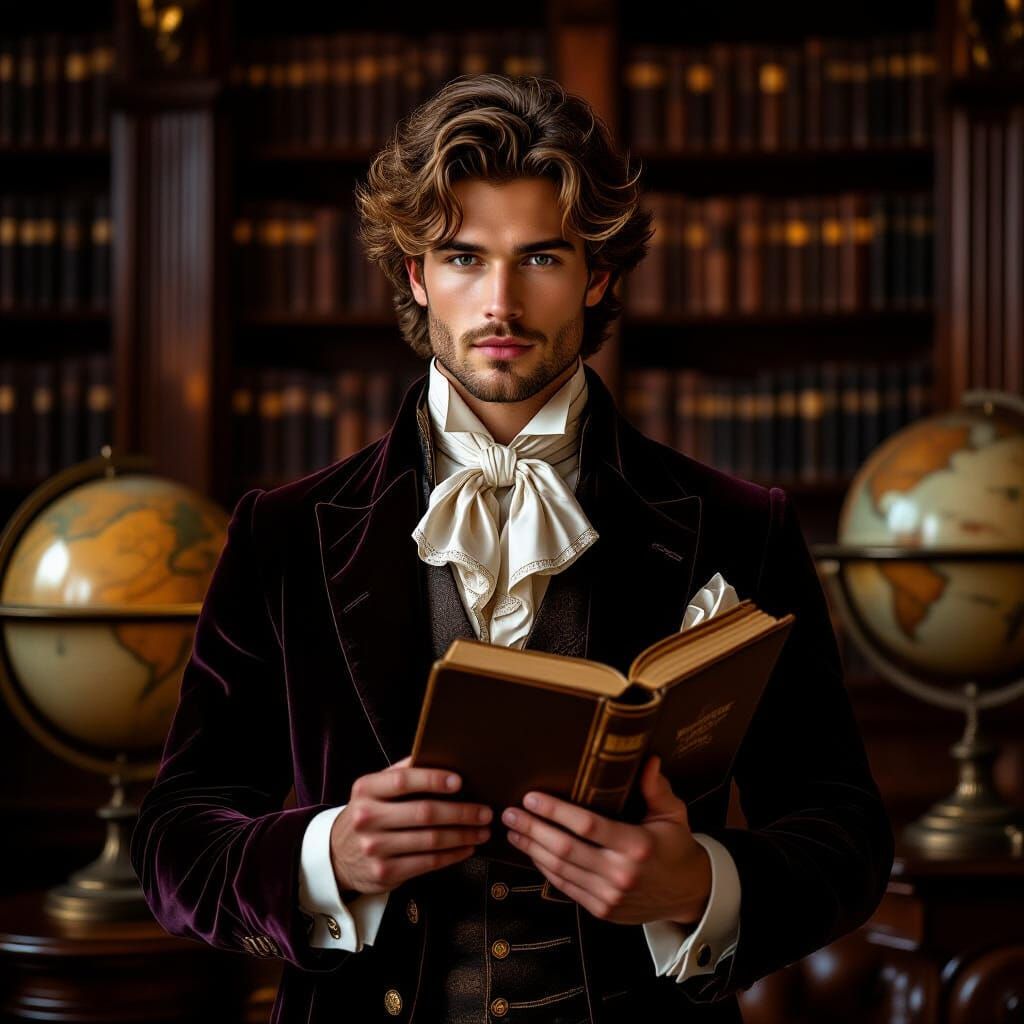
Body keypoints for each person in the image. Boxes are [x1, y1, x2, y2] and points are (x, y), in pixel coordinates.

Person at [130, 74, 895, 1024]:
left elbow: (848, 834)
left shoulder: (740, 526)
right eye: (462, 257)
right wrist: (325, 856)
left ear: (599, 273)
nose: (499, 301)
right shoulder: (282, 534)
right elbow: (172, 842)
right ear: (415, 275)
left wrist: (701, 885)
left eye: (539, 257)